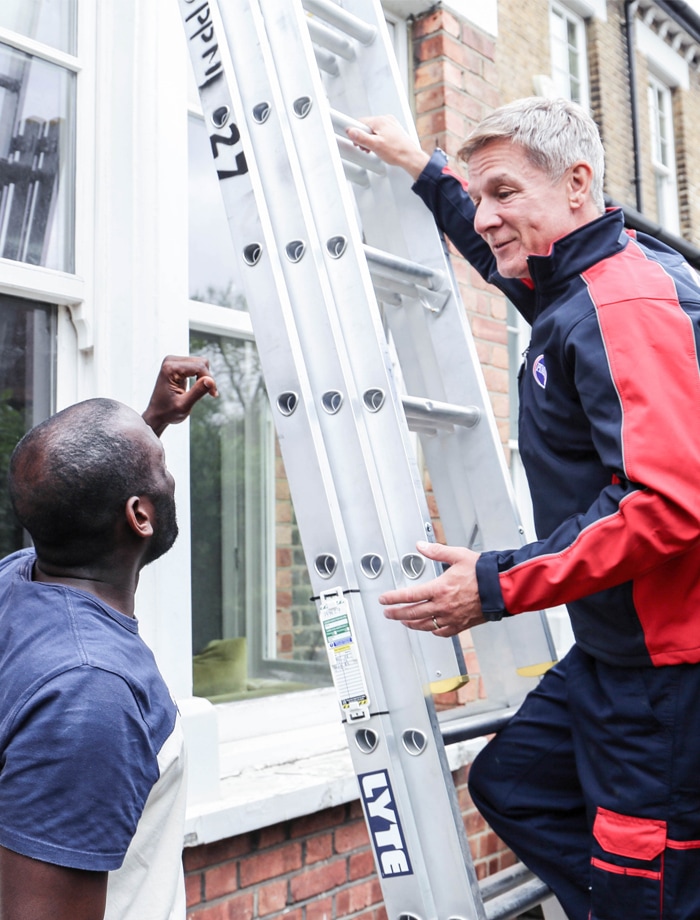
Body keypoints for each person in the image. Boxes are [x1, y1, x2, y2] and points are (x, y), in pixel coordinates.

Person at [347, 97, 700, 920]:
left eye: (502, 192)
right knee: (514, 781)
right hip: (616, 656)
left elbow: (667, 505)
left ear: (578, 183)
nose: (486, 215)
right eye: (478, 195)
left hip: (661, 682)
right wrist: (424, 171)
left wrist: (496, 584)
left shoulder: (623, 307)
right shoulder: (577, 280)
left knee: (641, 894)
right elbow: (496, 248)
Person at [0, 355, 218, 920]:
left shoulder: (18, 580)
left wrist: (150, 423)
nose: (171, 477)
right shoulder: (90, 694)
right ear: (140, 515)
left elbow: (81, 495)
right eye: (163, 467)